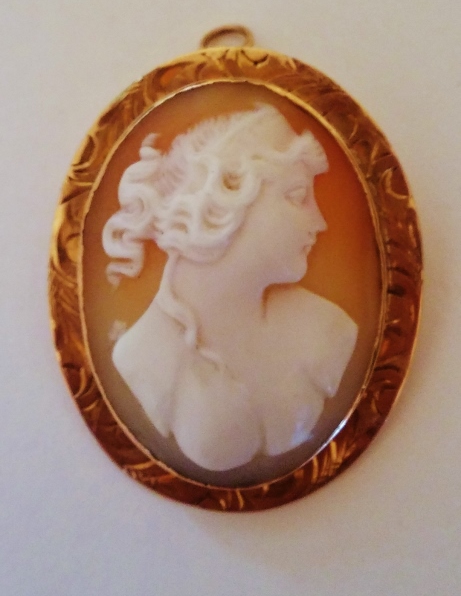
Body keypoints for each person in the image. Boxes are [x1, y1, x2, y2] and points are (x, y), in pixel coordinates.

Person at [102, 104, 358, 472]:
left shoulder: (328, 332)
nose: (319, 222)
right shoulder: (142, 359)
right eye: (297, 196)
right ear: (221, 198)